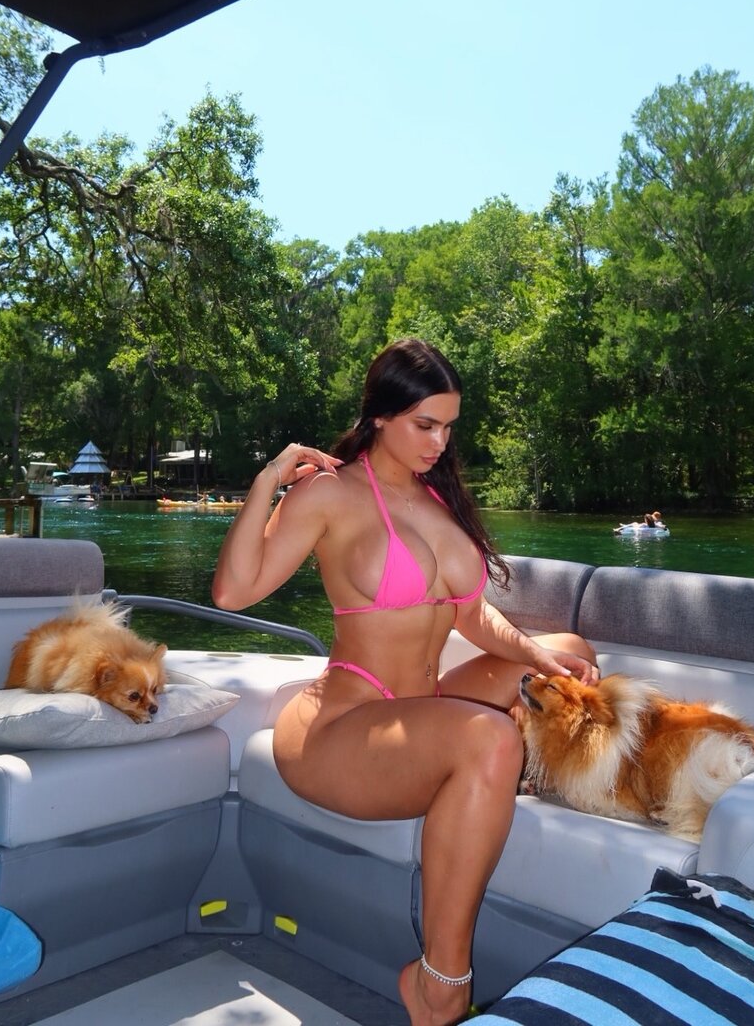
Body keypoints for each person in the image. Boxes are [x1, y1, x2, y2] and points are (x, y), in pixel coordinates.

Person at [212, 338, 598, 1026]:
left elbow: (471, 615)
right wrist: (269, 481)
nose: (439, 442)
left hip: (418, 711)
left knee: (567, 652)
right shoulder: (329, 493)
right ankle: (440, 983)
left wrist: (538, 656)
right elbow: (233, 593)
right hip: (340, 730)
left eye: (448, 427)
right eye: (425, 424)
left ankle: (493, 780)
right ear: (380, 415)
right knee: (488, 738)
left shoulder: (436, 498)